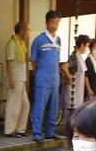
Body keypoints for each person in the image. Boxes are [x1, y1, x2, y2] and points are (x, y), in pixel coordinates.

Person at [30, 10, 71, 143]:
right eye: (53, 22)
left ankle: (50, 132)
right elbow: (34, 62)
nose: (55, 25)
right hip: (42, 77)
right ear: (47, 22)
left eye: (57, 22)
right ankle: (36, 133)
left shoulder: (58, 40)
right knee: (40, 105)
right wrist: (40, 74)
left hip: (55, 77)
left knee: (54, 106)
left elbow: (58, 59)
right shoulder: (38, 40)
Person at [4, 21, 30, 138]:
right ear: (22, 30)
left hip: (21, 78)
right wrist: (11, 78)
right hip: (15, 78)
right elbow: (8, 62)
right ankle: (10, 130)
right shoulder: (12, 43)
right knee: (13, 105)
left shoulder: (21, 43)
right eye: (27, 30)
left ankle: (20, 129)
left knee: (25, 104)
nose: (28, 32)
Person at [68, 34, 90, 109]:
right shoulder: (74, 56)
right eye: (87, 46)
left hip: (79, 90)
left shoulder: (80, 56)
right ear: (82, 45)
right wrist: (69, 78)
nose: (87, 48)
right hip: (73, 92)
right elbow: (64, 67)